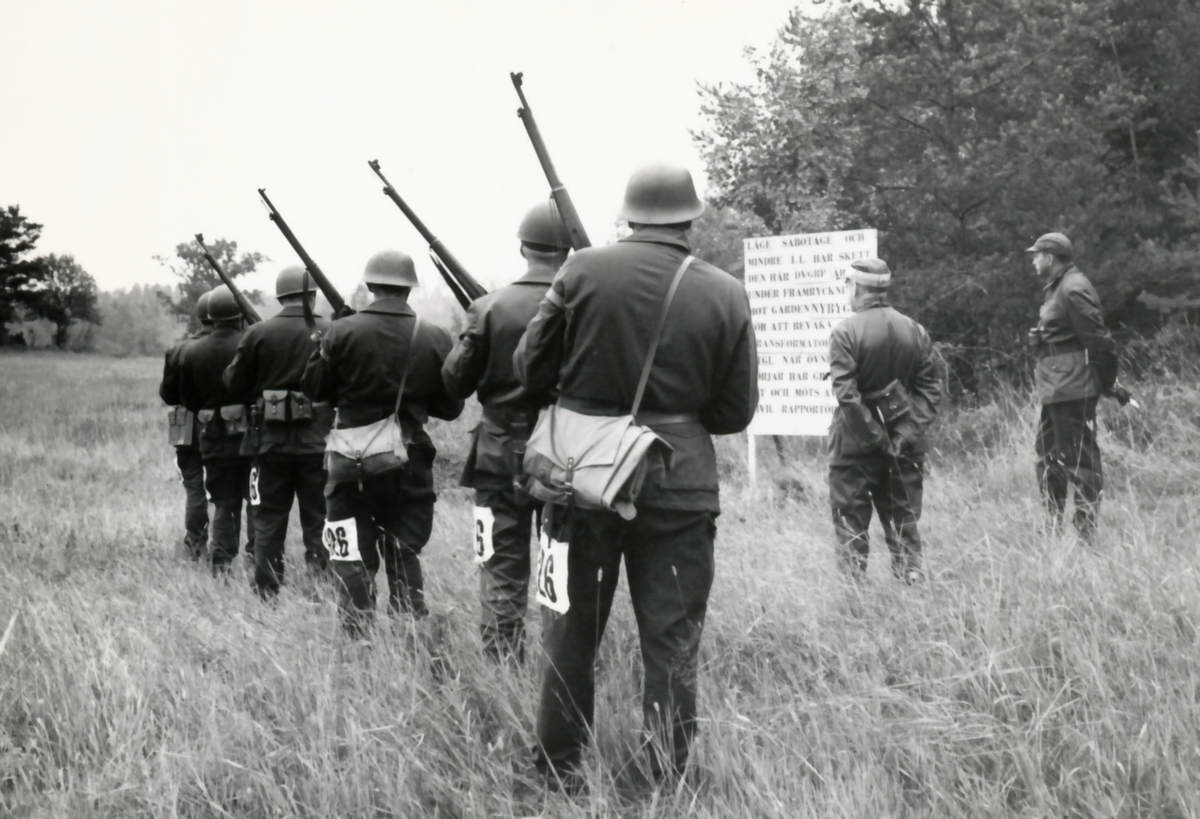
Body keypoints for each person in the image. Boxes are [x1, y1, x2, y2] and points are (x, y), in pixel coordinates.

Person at [515, 163, 757, 787]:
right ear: (690, 218)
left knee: (568, 634)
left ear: (629, 214)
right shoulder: (726, 291)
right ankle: (665, 779)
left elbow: (529, 369)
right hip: (680, 486)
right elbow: (734, 412)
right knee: (672, 643)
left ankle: (557, 774)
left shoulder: (580, 270)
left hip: (584, 480)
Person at [303, 250, 463, 633]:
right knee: (403, 548)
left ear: (370, 285)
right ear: (409, 288)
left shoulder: (341, 331)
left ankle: (357, 635)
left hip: (348, 458)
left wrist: (326, 345)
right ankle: (411, 631)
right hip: (409, 454)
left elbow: (315, 388)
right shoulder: (434, 335)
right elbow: (451, 407)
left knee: (351, 551)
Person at [442, 201, 570, 663]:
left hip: (498, 456)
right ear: (567, 249)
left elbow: (454, 382)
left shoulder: (486, 307)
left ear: (523, 247)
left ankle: (501, 664)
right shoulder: (582, 305)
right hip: (566, 456)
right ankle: (562, 664)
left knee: (498, 563)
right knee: (563, 563)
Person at [827, 258, 943, 583]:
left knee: (851, 527)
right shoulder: (915, 330)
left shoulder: (844, 333)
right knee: (903, 524)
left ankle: (854, 606)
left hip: (853, 450)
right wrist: (902, 437)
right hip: (905, 450)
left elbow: (847, 396)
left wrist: (878, 440)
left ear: (856, 288)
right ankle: (912, 593)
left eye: (846, 285)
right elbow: (931, 390)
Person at [223, 266, 332, 597]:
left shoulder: (257, 333)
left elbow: (233, 383)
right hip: (319, 444)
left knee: (268, 518)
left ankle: (267, 590)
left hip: (269, 444)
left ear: (280, 297)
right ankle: (322, 585)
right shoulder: (331, 330)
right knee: (320, 517)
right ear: (311, 295)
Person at [1025, 232, 1118, 542]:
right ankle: (1051, 527)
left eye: (1037, 255)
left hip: (1073, 388)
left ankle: (1086, 533)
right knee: (1049, 458)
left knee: (1081, 462)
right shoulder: (1058, 288)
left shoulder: (1073, 289)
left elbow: (1100, 342)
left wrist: (1106, 383)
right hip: (1056, 388)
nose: (1034, 260)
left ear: (1050, 258)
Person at [178, 286, 256, 574]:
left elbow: (189, 400)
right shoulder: (250, 343)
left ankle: (221, 563)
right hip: (250, 438)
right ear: (240, 315)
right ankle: (258, 557)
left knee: (224, 503)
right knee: (256, 500)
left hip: (212, 438)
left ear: (210, 316)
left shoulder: (192, 350)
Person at [159, 290, 213, 560]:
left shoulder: (177, 349)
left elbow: (167, 396)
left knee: (194, 488)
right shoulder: (225, 345)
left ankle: (196, 545)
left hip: (182, 421)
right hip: (217, 422)